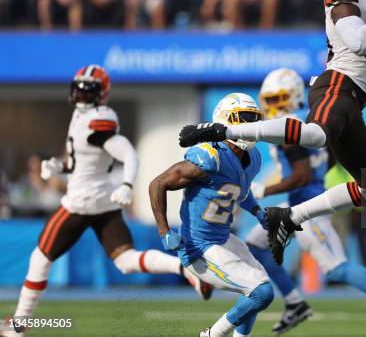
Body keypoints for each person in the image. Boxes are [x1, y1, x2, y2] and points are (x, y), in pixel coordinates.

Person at [179, 0, 366, 267]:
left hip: (355, 98)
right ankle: (223, 131)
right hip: (337, 84)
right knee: (317, 135)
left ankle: (289, 218)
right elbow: (359, 42)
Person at [1, 65, 211, 337]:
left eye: (86, 91)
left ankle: (18, 327)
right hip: (103, 204)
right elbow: (86, 160)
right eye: (78, 90)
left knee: (40, 259)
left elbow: (130, 156)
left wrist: (126, 184)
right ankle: (184, 269)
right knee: (126, 261)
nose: (80, 95)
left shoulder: (97, 120)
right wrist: (60, 167)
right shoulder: (83, 116)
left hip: (81, 203)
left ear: (100, 95)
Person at [245, 68, 366, 336]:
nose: (273, 106)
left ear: (293, 96)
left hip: (306, 208)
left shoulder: (288, 129)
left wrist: (264, 189)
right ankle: (294, 303)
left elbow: (302, 175)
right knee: (253, 247)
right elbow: (327, 158)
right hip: (295, 204)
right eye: (269, 100)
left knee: (336, 268)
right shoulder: (308, 122)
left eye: (279, 99)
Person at [149, 93, 274, 337]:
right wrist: (164, 231)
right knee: (261, 292)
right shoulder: (210, 156)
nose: (249, 126)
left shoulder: (253, 158)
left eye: (253, 120)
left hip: (223, 238)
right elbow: (158, 183)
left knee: (258, 284)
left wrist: (258, 211)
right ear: (225, 120)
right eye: (244, 119)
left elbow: (238, 191)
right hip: (199, 247)